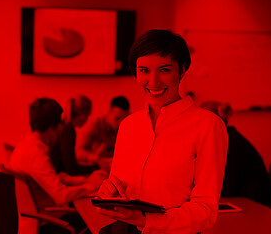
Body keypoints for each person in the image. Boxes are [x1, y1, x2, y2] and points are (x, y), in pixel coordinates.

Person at [97, 29, 228, 234]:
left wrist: (146, 220)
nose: (153, 81)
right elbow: (119, 186)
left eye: (164, 70)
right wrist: (109, 191)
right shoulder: (128, 125)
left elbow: (205, 211)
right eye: (144, 71)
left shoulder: (208, 125)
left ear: (182, 70)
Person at [9, 98, 106, 207]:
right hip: (50, 215)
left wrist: (82, 180)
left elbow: (47, 179)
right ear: (52, 128)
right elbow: (61, 196)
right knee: (100, 213)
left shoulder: (25, 146)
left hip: (36, 212)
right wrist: (91, 185)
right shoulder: (37, 155)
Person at [200, 101, 271, 206]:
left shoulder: (229, 141)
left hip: (254, 204)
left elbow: (229, 185)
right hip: (249, 198)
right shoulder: (228, 137)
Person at [76, 96, 130, 173]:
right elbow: (78, 152)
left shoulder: (128, 126)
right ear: (109, 112)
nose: (120, 123)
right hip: (95, 169)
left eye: (124, 119)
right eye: (117, 118)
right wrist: (96, 158)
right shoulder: (94, 125)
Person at [50, 95, 101, 176]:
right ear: (82, 116)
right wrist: (98, 167)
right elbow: (72, 169)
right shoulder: (68, 131)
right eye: (88, 116)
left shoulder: (62, 127)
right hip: (61, 177)